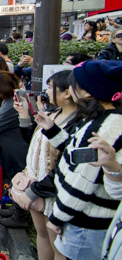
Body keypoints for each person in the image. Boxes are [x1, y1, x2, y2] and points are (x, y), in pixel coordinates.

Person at [33, 60, 122, 260]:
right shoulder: (102, 119)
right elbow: (77, 156)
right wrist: (52, 129)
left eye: (74, 84)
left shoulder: (104, 128)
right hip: (83, 218)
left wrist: (57, 217)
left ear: (87, 92)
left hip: (84, 221)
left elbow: (82, 180)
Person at [9, 70, 76, 260]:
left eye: (50, 87)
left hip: (53, 189)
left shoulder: (77, 124)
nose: (46, 91)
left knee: (58, 245)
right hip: (37, 180)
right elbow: (32, 142)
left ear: (67, 93)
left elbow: (65, 163)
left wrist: (36, 189)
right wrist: (24, 115)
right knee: (42, 234)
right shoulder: (53, 113)